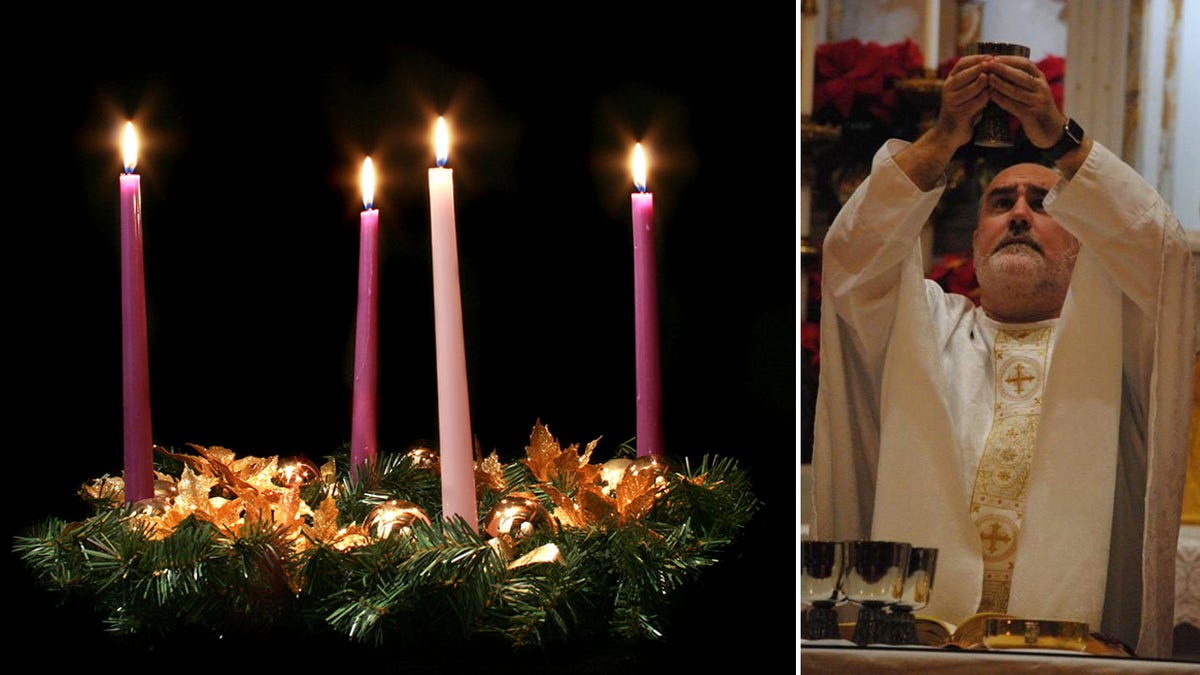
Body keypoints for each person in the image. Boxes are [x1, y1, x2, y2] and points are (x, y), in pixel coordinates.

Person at [810, 52, 1197, 658]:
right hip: (918, 655)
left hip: (1073, 654)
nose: (1019, 212)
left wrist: (1057, 136)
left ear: (1085, 236)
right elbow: (852, 256)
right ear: (975, 241)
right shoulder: (924, 329)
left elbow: (1165, 256)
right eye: (1000, 203)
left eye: (1042, 203)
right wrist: (944, 136)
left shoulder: (1118, 340)